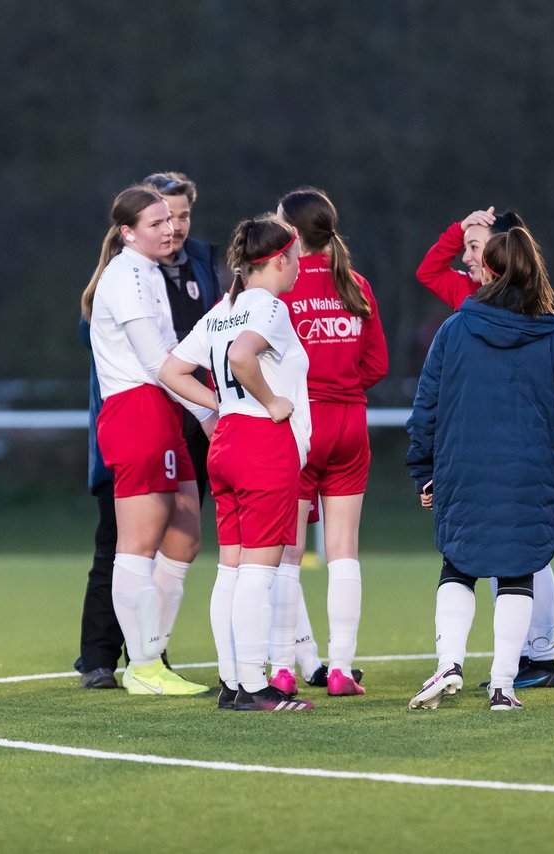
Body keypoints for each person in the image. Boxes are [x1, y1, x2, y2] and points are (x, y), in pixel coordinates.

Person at [406, 228, 554, 711]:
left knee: (458, 564)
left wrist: (423, 468)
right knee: (517, 573)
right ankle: (503, 686)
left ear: (486, 271)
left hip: (462, 466)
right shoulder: (553, 337)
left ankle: (449, 663)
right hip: (529, 472)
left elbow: (426, 405)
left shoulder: (454, 330)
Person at [160, 215, 314, 712]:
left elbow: (170, 371)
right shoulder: (268, 307)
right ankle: (253, 685)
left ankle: (232, 681)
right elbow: (246, 358)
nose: (297, 268)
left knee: (232, 568)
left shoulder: (221, 310)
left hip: (226, 441)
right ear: (277, 261)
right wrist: (270, 402)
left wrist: (218, 405)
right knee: (259, 571)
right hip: (261, 443)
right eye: (294, 259)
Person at [74, 172, 221, 690]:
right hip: (136, 411)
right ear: (127, 231)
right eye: (156, 223)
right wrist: (216, 407)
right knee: (134, 545)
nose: (169, 231)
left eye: (173, 220)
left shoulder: (151, 272)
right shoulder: (126, 276)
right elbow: (158, 362)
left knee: (185, 536)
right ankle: (142, 666)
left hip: (162, 408)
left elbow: (172, 362)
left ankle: (152, 656)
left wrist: (205, 416)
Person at [261, 187, 387, 698]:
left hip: (298, 425)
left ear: (291, 233)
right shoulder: (356, 285)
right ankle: (339, 669)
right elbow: (376, 365)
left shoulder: (279, 286)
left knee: (286, 555)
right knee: (343, 553)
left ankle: (283, 669)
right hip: (350, 425)